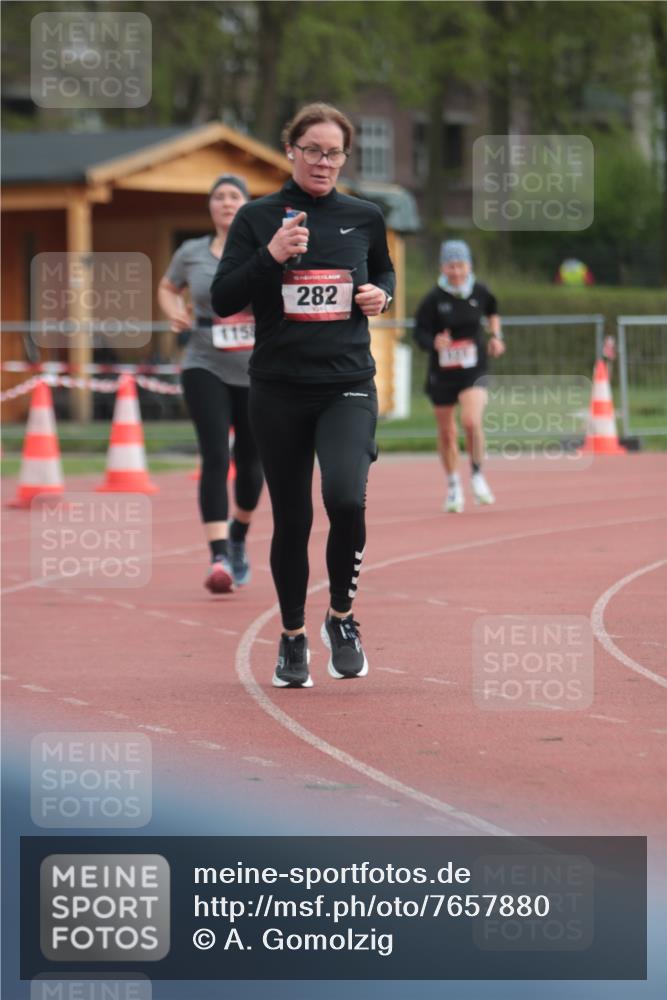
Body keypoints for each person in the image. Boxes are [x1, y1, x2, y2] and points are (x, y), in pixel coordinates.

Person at [211, 102, 395, 688]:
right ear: (290, 150)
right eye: (312, 149)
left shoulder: (364, 216)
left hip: (346, 385)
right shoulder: (258, 218)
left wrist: (381, 298)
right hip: (279, 390)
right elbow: (223, 298)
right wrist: (271, 255)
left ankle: (341, 619)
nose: (323, 161)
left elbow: (385, 273)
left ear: (346, 157)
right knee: (292, 519)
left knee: (345, 499)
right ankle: (292, 637)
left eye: (334, 152)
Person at [158, 174, 263, 593]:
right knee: (216, 456)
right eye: (218, 197)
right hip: (205, 363)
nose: (225, 203)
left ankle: (237, 535)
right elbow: (167, 287)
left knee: (253, 462)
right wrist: (174, 310)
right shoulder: (192, 252)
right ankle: (218, 555)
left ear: (247, 204)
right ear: (210, 207)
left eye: (234, 196)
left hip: (258, 370)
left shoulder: (264, 249)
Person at [414, 239, 504, 513]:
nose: (456, 271)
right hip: (442, 373)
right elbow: (419, 333)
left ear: (469, 265)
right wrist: (434, 343)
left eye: (461, 265)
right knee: (447, 431)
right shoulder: (433, 299)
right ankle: (453, 485)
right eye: (451, 266)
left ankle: (477, 475)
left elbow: (493, 312)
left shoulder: (480, 290)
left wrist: (497, 336)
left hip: (473, 368)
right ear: (443, 267)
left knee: (471, 420)